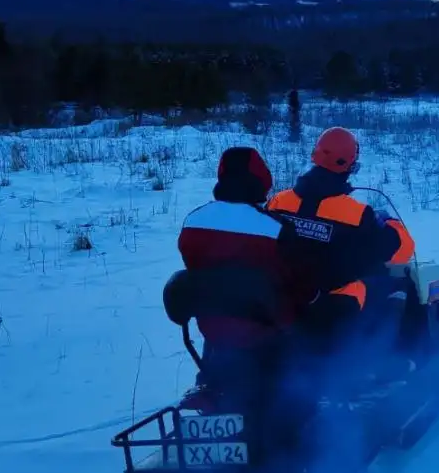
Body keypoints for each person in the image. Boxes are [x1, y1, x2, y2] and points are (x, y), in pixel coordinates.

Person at [266, 126, 415, 340]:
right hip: (334, 302)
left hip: (286, 295)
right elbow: (402, 250)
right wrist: (392, 223)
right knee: (400, 283)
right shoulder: (357, 214)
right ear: (350, 165)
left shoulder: (278, 201)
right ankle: (396, 357)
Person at [172, 146, 313, 358]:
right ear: (262, 180)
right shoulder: (276, 229)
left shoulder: (193, 221)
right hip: (269, 336)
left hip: (214, 331)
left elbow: (196, 267)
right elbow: (298, 283)